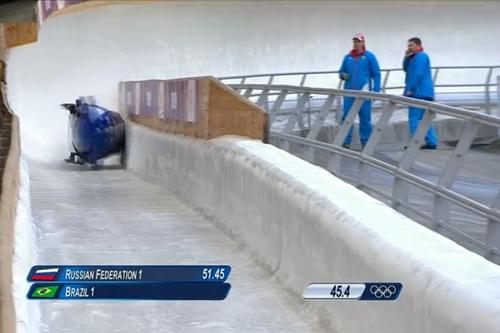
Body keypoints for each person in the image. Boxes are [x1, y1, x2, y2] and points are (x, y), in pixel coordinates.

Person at [339, 33, 381, 149]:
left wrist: (376, 89)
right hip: (349, 93)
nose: (356, 44)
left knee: (365, 118)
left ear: (363, 43)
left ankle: (365, 141)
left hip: (364, 93)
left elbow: (376, 73)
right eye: (354, 42)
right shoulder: (348, 57)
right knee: (347, 117)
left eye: (358, 42)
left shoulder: (369, 57)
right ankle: (346, 140)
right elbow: (341, 72)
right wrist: (343, 76)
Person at [403, 37, 438, 149]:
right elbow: (405, 68)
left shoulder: (421, 56)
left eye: (411, 45)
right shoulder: (413, 57)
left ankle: (415, 142)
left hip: (418, 92)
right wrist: (406, 57)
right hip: (424, 92)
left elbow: (418, 74)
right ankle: (431, 141)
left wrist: (411, 89)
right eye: (408, 46)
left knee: (414, 118)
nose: (409, 48)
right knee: (425, 118)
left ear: (418, 45)